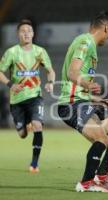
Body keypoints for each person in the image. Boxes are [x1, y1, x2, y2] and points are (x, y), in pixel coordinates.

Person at [57, 11, 108, 192]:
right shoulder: (85, 42)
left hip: (84, 101)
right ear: (105, 28)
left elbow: (77, 81)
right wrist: (87, 85)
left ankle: (102, 176)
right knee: (102, 140)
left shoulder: (91, 46)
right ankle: (86, 183)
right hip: (72, 104)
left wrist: (97, 99)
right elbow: (72, 73)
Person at [0, 19, 55, 173]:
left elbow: (50, 70)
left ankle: (34, 164)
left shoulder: (40, 51)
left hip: (35, 96)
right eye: (23, 31)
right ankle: (24, 126)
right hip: (16, 100)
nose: (26, 33)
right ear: (18, 34)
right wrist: (11, 85)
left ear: (33, 34)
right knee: (22, 134)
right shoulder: (12, 52)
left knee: (37, 125)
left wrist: (50, 82)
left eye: (29, 31)